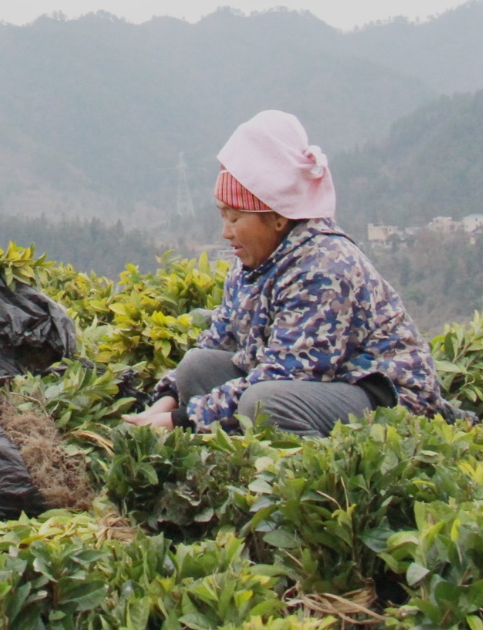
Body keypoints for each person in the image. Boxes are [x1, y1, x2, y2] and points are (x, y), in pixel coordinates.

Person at [122, 111, 462, 437]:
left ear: (278, 218)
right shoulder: (253, 265)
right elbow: (218, 338)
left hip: (381, 394)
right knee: (197, 366)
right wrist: (165, 399)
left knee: (264, 404)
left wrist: (179, 420)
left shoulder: (323, 269)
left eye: (236, 219)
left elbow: (286, 371)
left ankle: (308, 476)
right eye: (222, 216)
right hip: (322, 384)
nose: (226, 231)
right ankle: (237, 449)